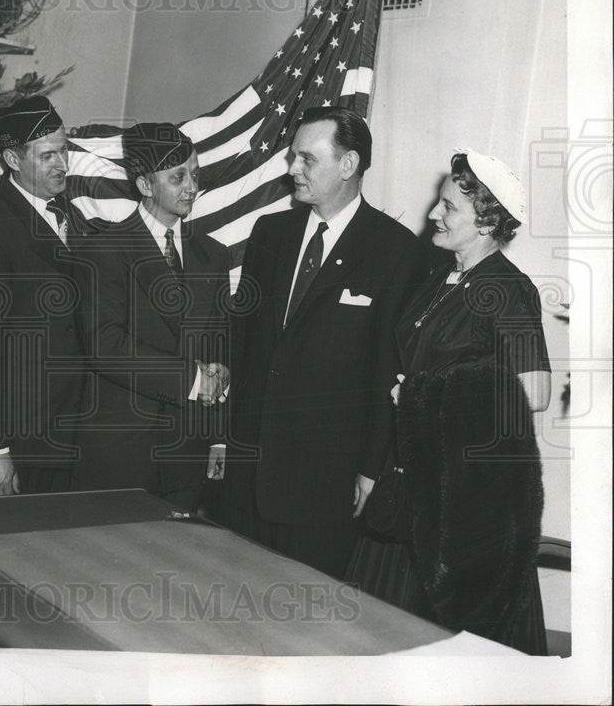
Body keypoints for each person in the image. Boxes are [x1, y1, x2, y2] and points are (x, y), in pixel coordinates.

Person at [347, 151, 551, 654]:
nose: (433, 215)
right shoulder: (443, 278)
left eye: (448, 208)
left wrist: (431, 395)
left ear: (486, 221)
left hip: (462, 501)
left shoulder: (506, 288)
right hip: (412, 480)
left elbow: (536, 391)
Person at [218, 106, 426, 579]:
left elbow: (387, 372)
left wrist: (371, 469)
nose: (292, 169)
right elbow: (244, 342)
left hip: (325, 482)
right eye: (294, 157)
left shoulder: (398, 252)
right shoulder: (269, 233)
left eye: (306, 159)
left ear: (348, 165)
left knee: (304, 617)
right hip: (248, 472)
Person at [69, 122, 231, 510]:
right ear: (144, 185)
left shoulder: (214, 255)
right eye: (177, 177)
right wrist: (192, 379)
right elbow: (105, 346)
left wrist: (219, 435)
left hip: (186, 456)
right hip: (120, 455)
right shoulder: (103, 250)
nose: (191, 186)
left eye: (195, 174)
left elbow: (222, 344)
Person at [0, 95, 85, 496]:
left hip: (74, 430)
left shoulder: (73, 216)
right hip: (22, 435)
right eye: (48, 156)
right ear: (13, 160)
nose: (62, 165)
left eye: (64, 151)